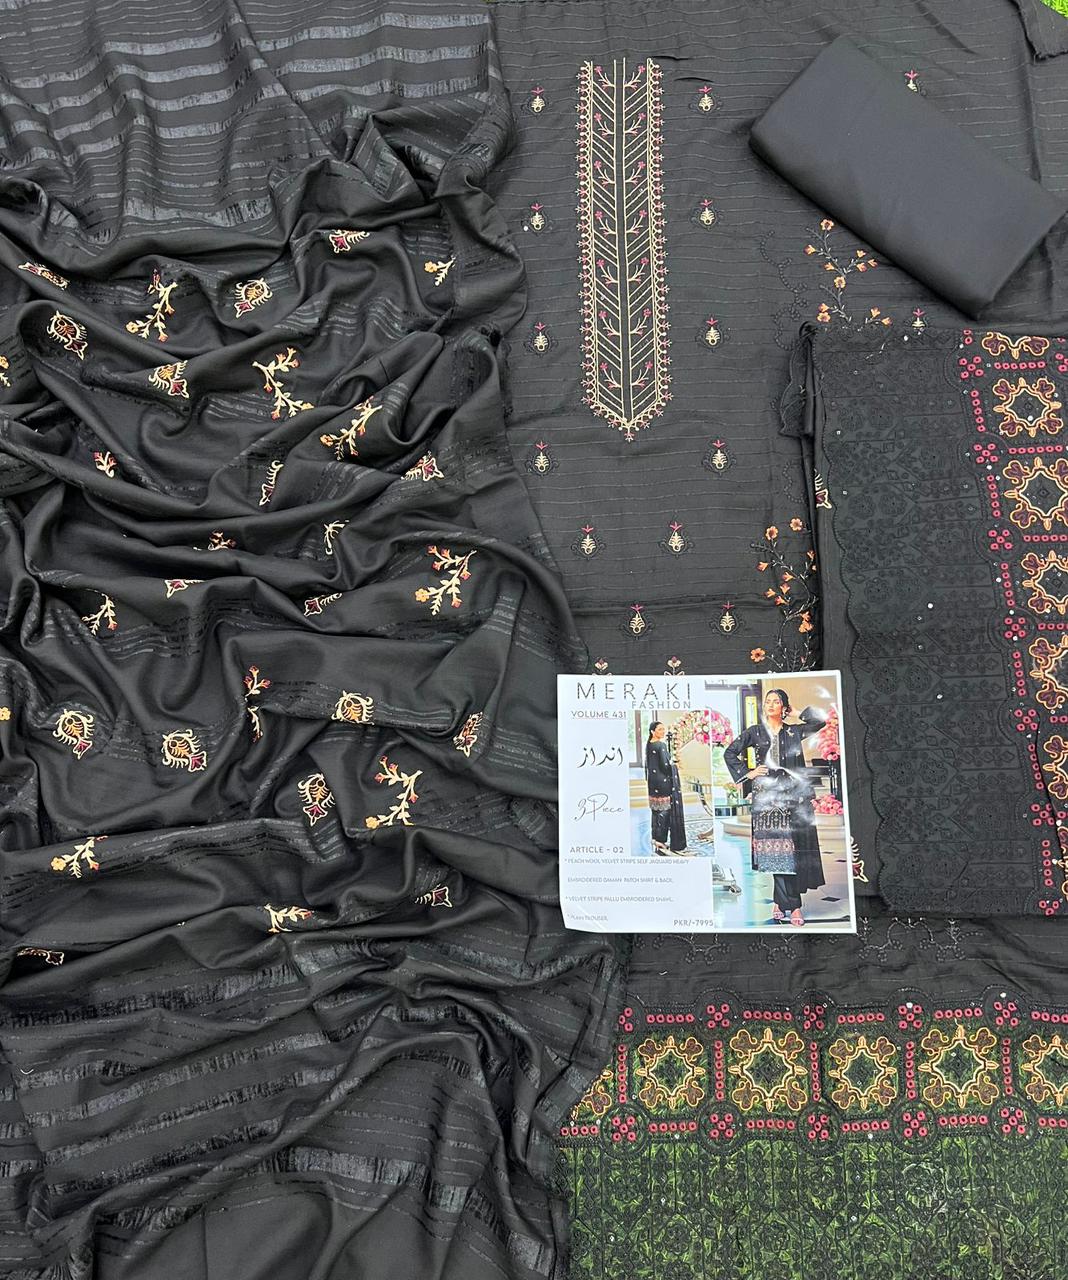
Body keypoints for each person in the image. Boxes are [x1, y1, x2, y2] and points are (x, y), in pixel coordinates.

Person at [723, 689, 826, 924]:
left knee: (791, 851)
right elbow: (730, 752)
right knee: (776, 852)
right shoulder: (755, 732)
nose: (770, 705)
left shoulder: (794, 731)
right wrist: (748, 772)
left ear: (783, 707)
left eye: (776, 701)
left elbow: (820, 721)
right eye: (768, 701)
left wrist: (797, 713)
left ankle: (781, 902)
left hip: (792, 798)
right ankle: (795, 906)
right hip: (766, 799)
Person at [644, 721, 693, 856]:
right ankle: (661, 840)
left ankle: (656, 839)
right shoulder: (661, 745)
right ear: (652, 731)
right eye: (660, 729)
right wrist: (675, 766)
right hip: (663, 783)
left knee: (656, 812)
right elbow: (665, 766)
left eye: (663, 729)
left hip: (653, 784)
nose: (663, 731)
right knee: (664, 812)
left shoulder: (648, 745)